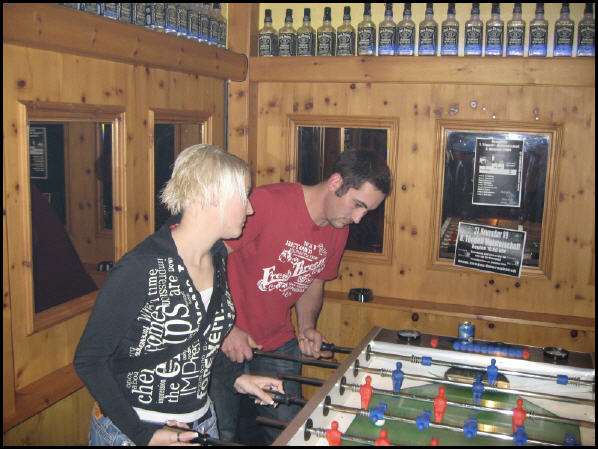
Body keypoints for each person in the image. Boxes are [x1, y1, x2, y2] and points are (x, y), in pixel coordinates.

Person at [74, 144, 284, 446]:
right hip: (135, 431)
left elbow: (200, 341)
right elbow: (89, 360)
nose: (250, 209)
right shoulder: (142, 267)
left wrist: (236, 378)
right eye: (244, 195)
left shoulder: (216, 256)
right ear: (212, 195)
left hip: (202, 422)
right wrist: (145, 436)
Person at [209, 148, 392, 444]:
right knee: (222, 432)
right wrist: (225, 327)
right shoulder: (267, 202)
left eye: (366, 211)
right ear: (335, 183)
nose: (358, 218)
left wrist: (307, 326)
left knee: (289, 432)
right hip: (221, 340)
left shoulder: (338, 226)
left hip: (277, 339)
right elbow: (207, 258)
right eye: (358, 205)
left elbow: (313, 280)